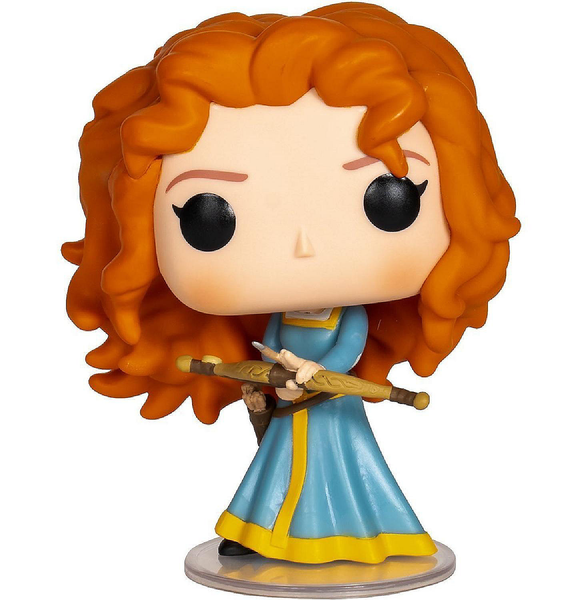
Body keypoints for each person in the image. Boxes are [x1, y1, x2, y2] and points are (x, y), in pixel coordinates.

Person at [63, 2, 520, 564]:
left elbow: (347, 349)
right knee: (276, 463)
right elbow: (271, 341)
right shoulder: (280, 318)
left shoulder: (346, 316)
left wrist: (311, 372)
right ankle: (259, 534)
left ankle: (359, 533)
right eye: (208, 217)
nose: (305, 246)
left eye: (389, 200)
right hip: (289, 396)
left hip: (328, 402)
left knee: (338, 465)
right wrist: (264, 371)